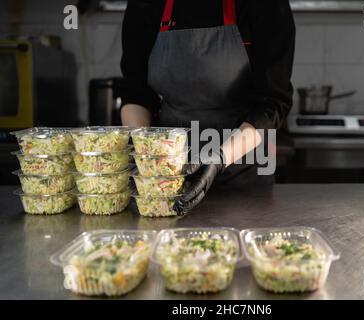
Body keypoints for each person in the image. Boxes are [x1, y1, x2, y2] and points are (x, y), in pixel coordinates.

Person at [120, 0, 295, 214]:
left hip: (243, 176)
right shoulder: (145, 5)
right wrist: (145, 151)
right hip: (165, 179)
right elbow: (136, 93)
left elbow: (273, 103)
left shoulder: (265, 5)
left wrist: (220, 158)